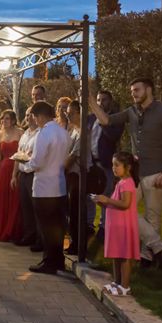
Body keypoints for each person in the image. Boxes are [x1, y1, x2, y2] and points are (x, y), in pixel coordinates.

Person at [89, 78, 162, 269]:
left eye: (137, 90)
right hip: (135, 174)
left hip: (157, 173)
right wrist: (91, 101)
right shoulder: (131, 111)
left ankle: (147, 258)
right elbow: (107, 120)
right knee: (123, 208)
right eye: (132, 90)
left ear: (149, 90)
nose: (133, 93)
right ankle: (160, 247)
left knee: (153, 216)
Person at [27, 101, 71, 274]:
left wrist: (25, 164)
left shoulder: (43, 133)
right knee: (57, 226)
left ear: (40, 116)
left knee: (46, 226)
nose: (35, 120)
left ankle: (49, 262)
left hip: (44, 186)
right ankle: (57, 259)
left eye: (34, 117)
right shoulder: (63, 131)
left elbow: (37, 162)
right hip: (59, 184)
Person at [93, 152, 140, 296]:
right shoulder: (120, 182)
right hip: (116, 225)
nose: (114, 168)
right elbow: (114, 204)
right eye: (113, 164)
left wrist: (107, 200)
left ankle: (125, 286)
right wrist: (101, 202)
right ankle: (117, 281)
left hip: (123, 225)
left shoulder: (127, 183)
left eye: (117, 165)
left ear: (128, 167)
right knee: (117, 253)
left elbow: (125, 204)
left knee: (124, 255)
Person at [88, 90, 124, 239]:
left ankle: (104, 227)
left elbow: (113, 136)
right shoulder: (90, 119)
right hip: (91, 163)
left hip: (106, 163)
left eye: (104, 100)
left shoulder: (115, 119)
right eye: (98, 100)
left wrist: (103, 121)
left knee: (105, 195)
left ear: (110, 101)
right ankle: (89, 225)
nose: (100, 103)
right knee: (89, 195)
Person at [0, 110, 24, 242]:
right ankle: (1, 229)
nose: (4, 121)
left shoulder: (20, 133)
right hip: (3, 170)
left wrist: (15, 174)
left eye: (7, 119)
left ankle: (12, 230)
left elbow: (20, 154)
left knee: (14, 200)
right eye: (2, 118)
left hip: (15, 168)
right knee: (1, 199)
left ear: (13, 120)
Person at [11, 107, 41, 249]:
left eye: (31, 115)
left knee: (36, 207)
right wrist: (14, 175)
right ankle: (29, 235)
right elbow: (19, 153)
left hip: (33, 173)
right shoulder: (24, 134)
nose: (28, 117)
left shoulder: (40, 134)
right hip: (22, 173)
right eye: (26, 115)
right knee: (25, 207)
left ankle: (39, 239)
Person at [64, 100, 88, 254]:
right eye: (67, 113)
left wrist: (58, 169)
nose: (68, 116)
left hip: (78, 175)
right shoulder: (73, 131)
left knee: (77, 211)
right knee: (71, 211)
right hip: (71, 175)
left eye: (71, 113)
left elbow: (72, 156)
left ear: (80, 113)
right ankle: (73, 241)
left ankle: (79, 245)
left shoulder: (83, 132)